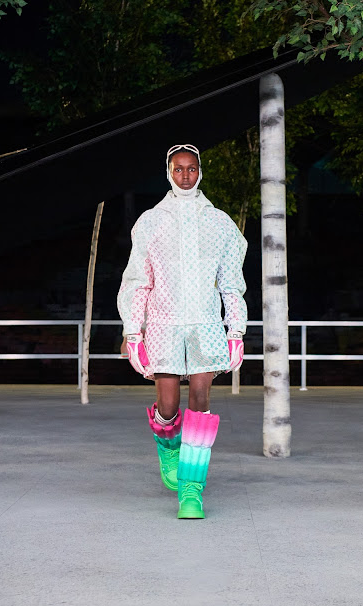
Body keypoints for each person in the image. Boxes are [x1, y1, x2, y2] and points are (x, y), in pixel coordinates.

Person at [117, 144, 247, 519]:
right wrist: (133, 332)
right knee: (169, 405)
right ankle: (168, 447)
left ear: (200, 172)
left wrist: (235, 331)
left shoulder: (220, 223)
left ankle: (192, 489)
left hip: (206, 325)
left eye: (191, 169)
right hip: (164, 325)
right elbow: (138, 281)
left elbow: (231, 284)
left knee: (200, 402)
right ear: (168, 172)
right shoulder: (151, 222)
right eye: (178, 169)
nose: (185, 175)